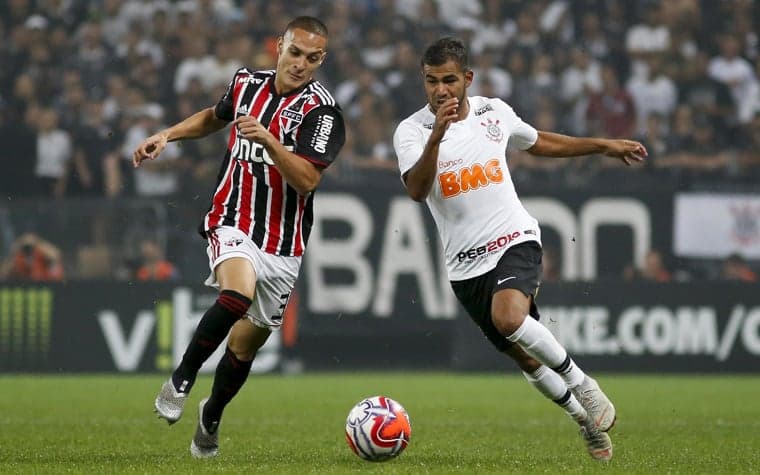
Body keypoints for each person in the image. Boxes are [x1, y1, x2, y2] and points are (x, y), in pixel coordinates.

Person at [392, 37, 647, 461]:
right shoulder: (412, 131)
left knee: (508, 317)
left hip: (515, 239)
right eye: (432, 81)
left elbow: (539, 141)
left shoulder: (494, 111)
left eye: (450, 80)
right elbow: (417, 190)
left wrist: (603, 145)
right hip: (465, 267)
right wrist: (437, 136)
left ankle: (583, 383)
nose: (441, 90)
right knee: (526, 360)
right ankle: (583, 420)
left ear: (468, 78)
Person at [132, 16, 345, 458]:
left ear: (321, 60)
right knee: (237, 294)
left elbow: (306, 181)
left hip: (283, 243)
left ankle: (211, 414)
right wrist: (167, 135)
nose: (301, 64)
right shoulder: (246, 82)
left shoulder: (322, 112)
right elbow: (214, 117)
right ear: (279, 47)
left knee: (246, 345)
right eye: (295, 52)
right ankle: (182, 378)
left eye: (312, 57)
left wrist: (269, 140)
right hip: (232, 217)